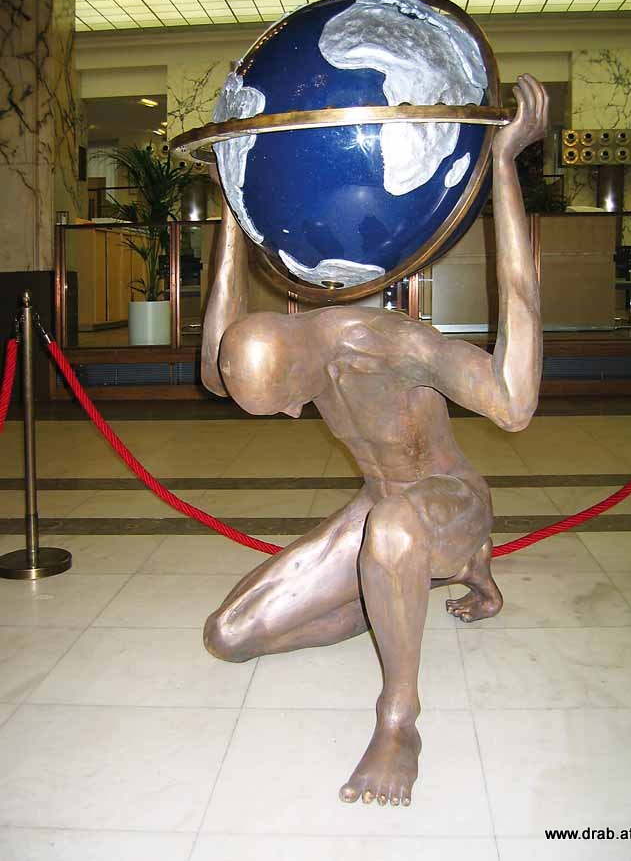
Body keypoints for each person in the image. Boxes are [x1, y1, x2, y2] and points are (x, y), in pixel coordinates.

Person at [201, 74, 547, 807]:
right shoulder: (288, 342)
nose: (292, 414)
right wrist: (231, 204)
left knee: (391, 527)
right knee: (228, 636)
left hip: (448, 501)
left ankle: (399, 718)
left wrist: (506, 167)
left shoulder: (393, 345)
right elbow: (214, 367)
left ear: (299, 365)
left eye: (287, 400)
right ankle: (400, 592)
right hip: (381, 508)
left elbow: (514, 404)